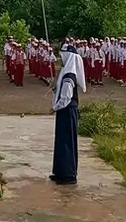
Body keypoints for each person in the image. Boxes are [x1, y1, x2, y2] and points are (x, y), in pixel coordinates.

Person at [49, 46, 86, 185]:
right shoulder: (67, 72)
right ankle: (60, 171)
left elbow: (66, 98)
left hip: (67, 110)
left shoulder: (69, 75)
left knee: (67, 142)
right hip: (65, 111)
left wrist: (54, 107)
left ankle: (68, 174)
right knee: (61, 140)